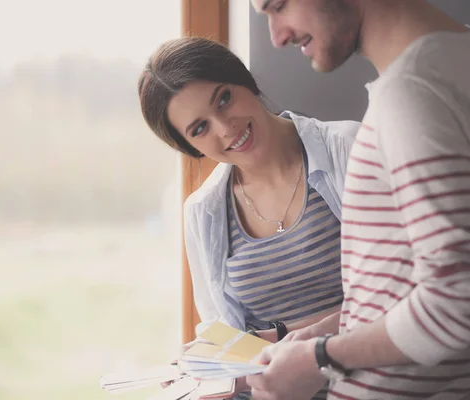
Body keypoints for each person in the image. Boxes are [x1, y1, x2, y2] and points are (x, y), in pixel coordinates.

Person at [246, 1, 470, 399]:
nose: (277, 36)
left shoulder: (411, 92)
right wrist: (322, 333)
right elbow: (411, 287)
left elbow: (456, 304)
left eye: (277, 6)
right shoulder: (449, 62)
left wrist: (319, 357)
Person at [138, 36, 359, 399]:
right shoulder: (203, 213)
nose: (226, 128)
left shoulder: (349, 150)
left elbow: (398, 293)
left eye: (223, 99)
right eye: (200, 128)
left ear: (244, 81)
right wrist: (210, 367)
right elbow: (228, 339)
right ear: (189, 147)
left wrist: (278, 339)